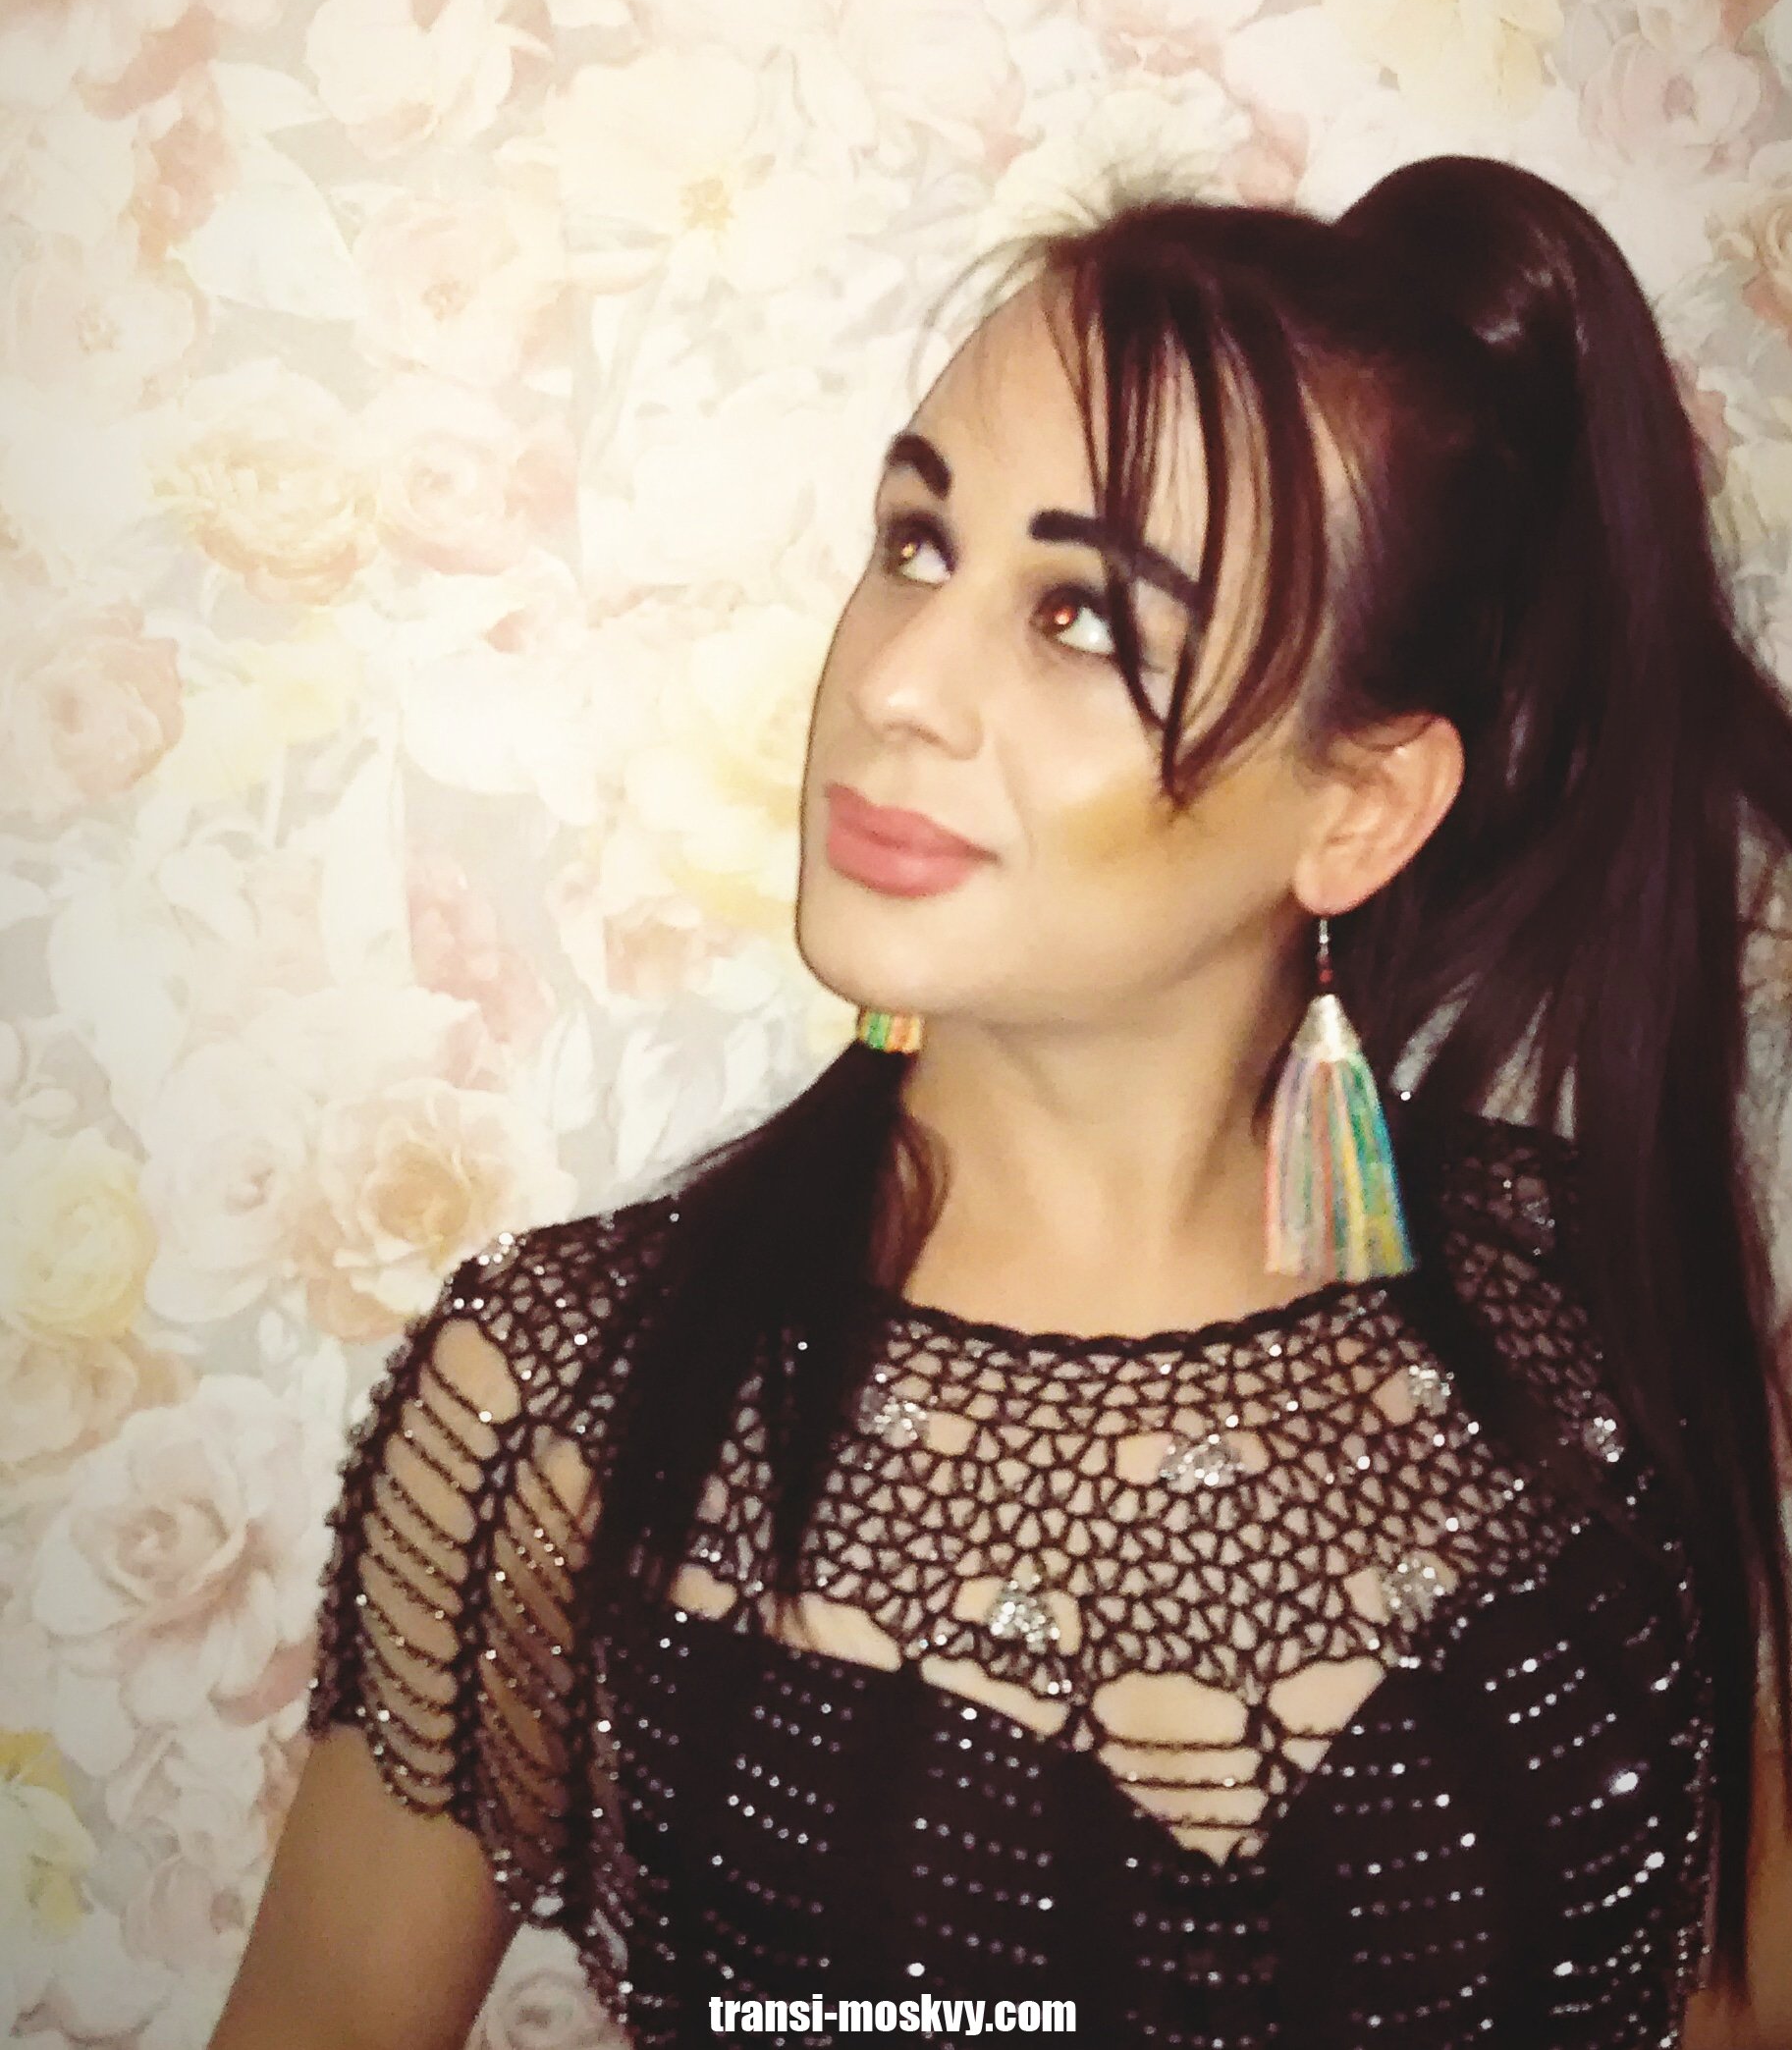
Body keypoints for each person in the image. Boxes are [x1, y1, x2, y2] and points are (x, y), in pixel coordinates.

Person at [211, 157, 1792, 2050]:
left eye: (1081, 618)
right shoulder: (566, 1406)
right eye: (915, 543)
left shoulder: (1597, 1307)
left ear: (1358, 807)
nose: (897, 683)